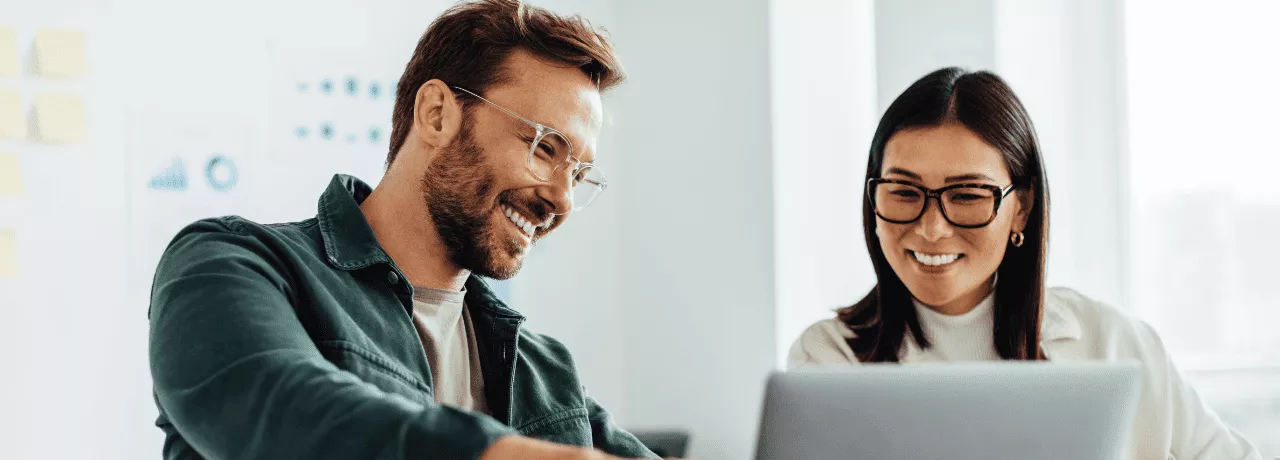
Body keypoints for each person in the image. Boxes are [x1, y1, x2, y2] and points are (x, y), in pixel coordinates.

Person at [147, 1, 657, 459]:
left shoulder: (546, 372)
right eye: (545, 149)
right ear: (437, 114)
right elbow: (283, 407)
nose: (561, 200)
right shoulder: (233, 263)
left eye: (579, 175)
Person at [787, 67, 1262, 459]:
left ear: (1022, 207)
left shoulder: (1111, 341)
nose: (932, 228)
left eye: (968, 195)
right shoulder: (829, 360)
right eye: (905, 192)